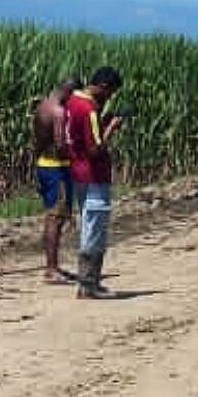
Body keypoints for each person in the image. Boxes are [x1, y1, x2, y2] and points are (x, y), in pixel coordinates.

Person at [66, 67, 125, 299]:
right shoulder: (89, 109)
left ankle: (89, 283)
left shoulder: (72, 102)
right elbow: (95, 149)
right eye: (110, 92)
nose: (109, 97)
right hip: (93, 175)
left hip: (78, 173)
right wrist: (111, 128)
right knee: (94, 229)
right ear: (103, 86)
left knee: (88, 225)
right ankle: (89, 284)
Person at [33, 78, 79, 284]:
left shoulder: (42, 106)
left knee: (52, 216)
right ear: (70, 92)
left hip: (44, 164)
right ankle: (51, 269)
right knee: (56, 218)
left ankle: (53, 266)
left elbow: (39, 141)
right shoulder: (59, 112)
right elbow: (60, 145)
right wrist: (77, 156)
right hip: (56, 168)